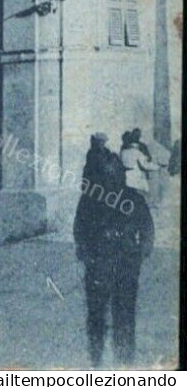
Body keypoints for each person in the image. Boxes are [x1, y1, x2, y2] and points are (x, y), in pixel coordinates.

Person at [75, 136, 154, 366]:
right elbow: (79, 229)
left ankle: (122, 362)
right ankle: (98, 361)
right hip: (105, 264)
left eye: (114, 174)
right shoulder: (92, 199)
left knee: (120, 316)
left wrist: (141, 252)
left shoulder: (130, 197)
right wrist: (85, 251)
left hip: (121, 265)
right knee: (103, 317)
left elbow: (147, 229)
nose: (112, 178)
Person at [120, 129, 157, 196]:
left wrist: (144, 159)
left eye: (138, 135)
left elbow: (149, 158)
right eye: (135, 135)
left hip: (140, 171)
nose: (136, 136)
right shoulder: (125, 146)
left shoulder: (142, 146)